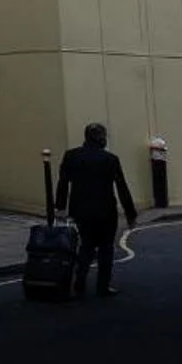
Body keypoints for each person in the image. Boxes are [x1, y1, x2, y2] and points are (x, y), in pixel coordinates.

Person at [56, 121, 139, 297]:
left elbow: (63, 183)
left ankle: (80, 282)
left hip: (81, 210)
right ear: (101, 139)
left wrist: (60, 207)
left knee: (86, 246)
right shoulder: (110, 159)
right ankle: (103, 286)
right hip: (105, 210)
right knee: (106, 249)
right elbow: (122, 187)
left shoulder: (72, 156)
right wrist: (130, 214)